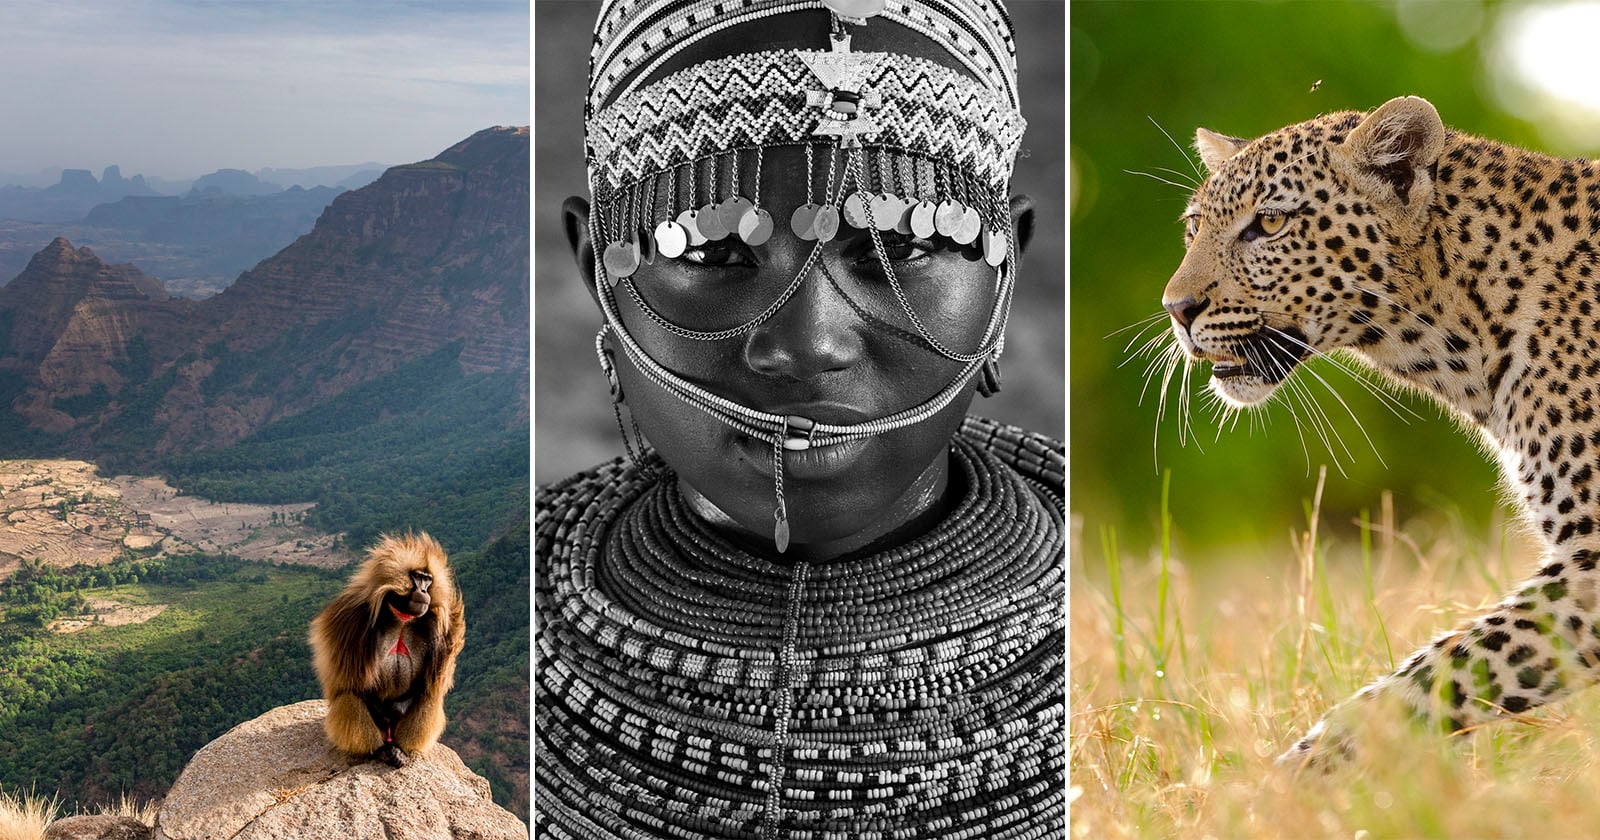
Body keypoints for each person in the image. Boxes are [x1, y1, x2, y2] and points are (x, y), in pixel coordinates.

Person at [534, 1, 1063, 836]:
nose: (807, 344)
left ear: (1009, 269)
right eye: (711, 252)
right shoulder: (502, 625)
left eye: (902, 246)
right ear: (596, 270)